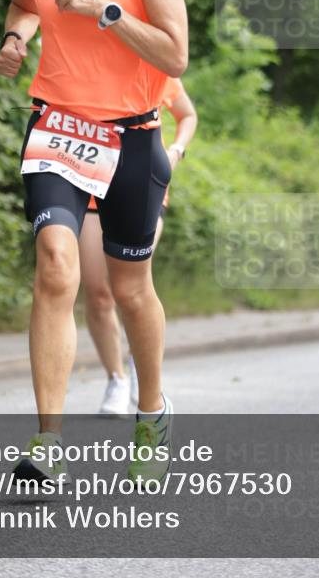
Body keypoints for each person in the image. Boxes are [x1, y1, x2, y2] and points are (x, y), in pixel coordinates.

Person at [0, 0, 209, 487]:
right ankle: (47, 442)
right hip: (57, 124)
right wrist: (15, 37)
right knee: (56, 265)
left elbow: (174, 54)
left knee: (129, 289)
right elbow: (22, 2)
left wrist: (104, 11)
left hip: (131, 135)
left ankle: (150, 411)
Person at [84, 77, 198, 416]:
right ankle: (116, 379)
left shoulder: (153, 63)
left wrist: (176, 150)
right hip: (89, 181)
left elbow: (187, 115)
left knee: (130, 288)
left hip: (142, 186)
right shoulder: (86, 63)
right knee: (98, 291)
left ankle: (140, 369)